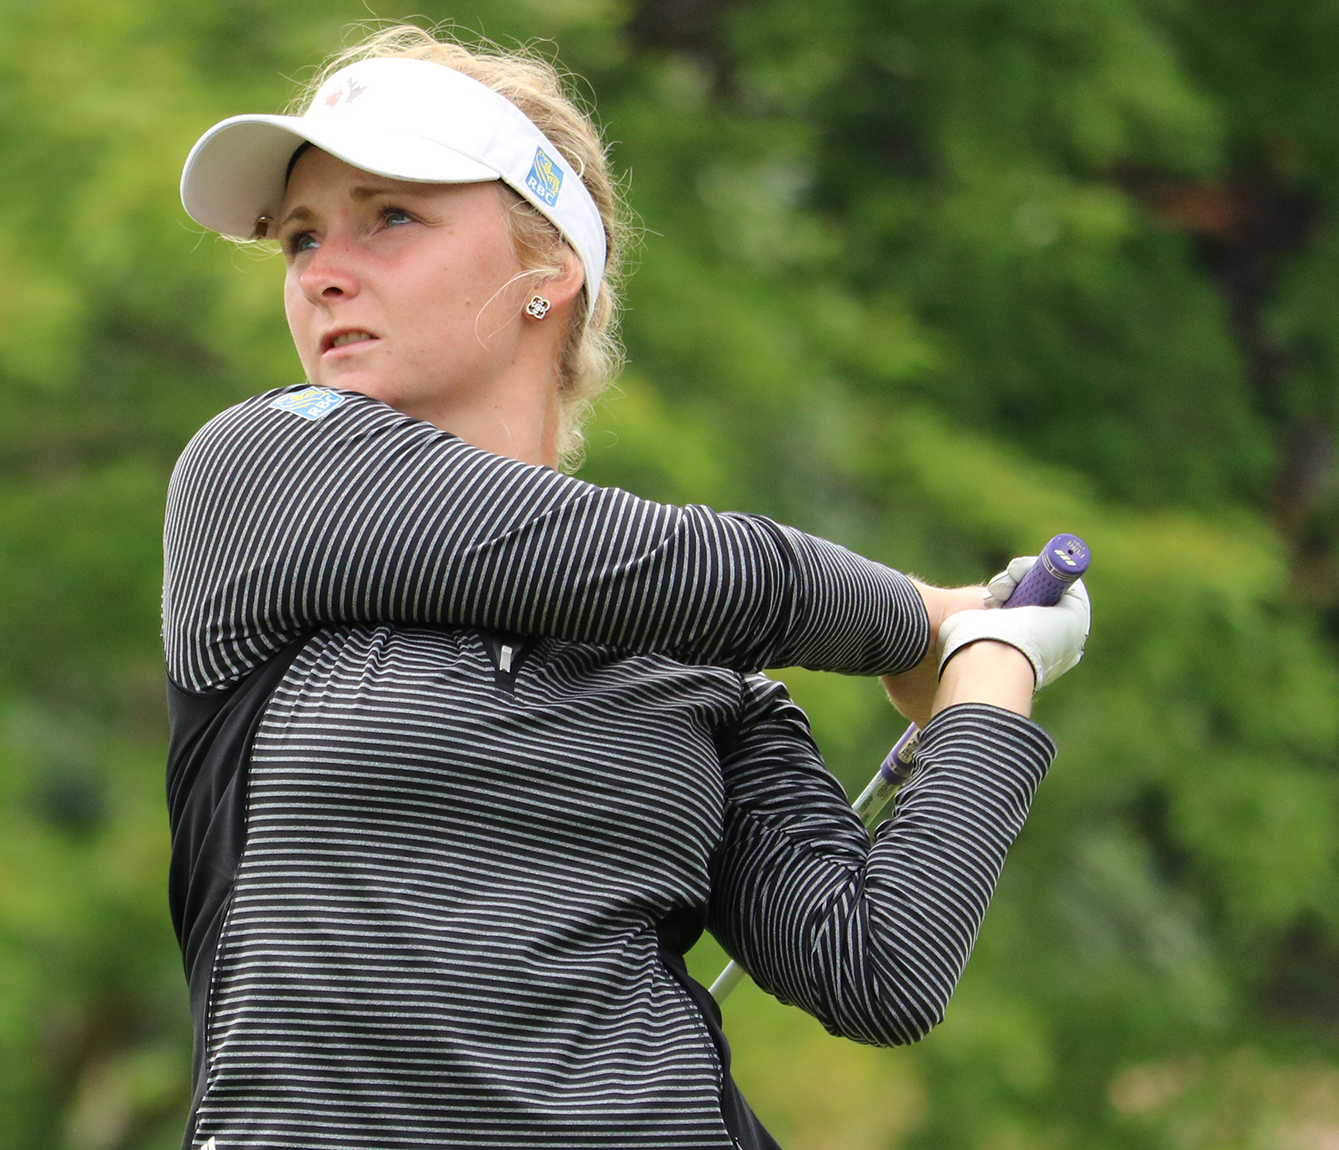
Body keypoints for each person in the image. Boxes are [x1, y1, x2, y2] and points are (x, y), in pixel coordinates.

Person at [162, 25, 1090, 1150]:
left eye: (388, 216)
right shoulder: (259, 476)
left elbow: (877, 968)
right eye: (299, 238)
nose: (321, 271)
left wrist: (990, 675)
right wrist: (923, 618)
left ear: (545, 266)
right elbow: (673, 568)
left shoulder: (698, 674)